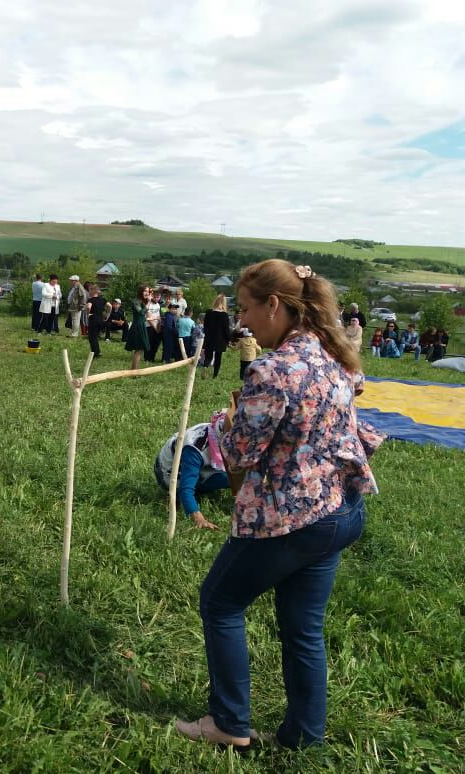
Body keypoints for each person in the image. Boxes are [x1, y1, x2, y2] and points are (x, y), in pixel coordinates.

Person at [176, 260, 382, 751]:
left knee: (220, 602)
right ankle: (303, 736)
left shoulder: (273, 370)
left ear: (274, 304)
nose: (242, 322)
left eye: (246, 310)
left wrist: (227, 420)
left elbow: (241, 454)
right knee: (302, 629)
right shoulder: (335, 355)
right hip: (342, 509)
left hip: (295, 517)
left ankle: (228, 722)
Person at [154, 411, 230, 530]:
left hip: (193, 465)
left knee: (240, 474)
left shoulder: (215, 434)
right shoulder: (194, 449)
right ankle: (177, 496)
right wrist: (198, 518)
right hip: (171, 475)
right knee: (231, 478)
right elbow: (186, 488)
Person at [202, 295, 231, 378]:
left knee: (208, 356)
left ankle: (205, 366)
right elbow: (226, 329)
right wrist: (229, 339)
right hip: (220, 339)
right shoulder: (225, 315)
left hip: (209, 338)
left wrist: (207, 334)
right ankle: (215, 375)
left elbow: (205, 326)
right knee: (218, 358)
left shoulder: (208, 312)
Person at [125, 285, 152, 369]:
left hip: (141, 325)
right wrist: (148, 303)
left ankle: (133, 370)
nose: (147, 293)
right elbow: (141, 312)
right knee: (139, 349)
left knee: (140, 349)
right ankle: (133, 371)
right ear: (140, 291)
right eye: (145, 291)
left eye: (148, 291)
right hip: (138, 326)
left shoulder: (142, 301)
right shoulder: (136, 301)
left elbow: (146, 314)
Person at [86, 284, 107, 358]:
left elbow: (88, 307)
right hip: (100, 320)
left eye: (89, 290)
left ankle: (96, 353)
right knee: (95, 337)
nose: (89, 292)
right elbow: (110, 306)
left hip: (93, 320)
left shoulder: (90, 300)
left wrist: (88, 314)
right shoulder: (102, 299)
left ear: (93, 291)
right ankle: (97, 351)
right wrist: (108, 314)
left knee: (92, 337)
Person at [145, 290, 162, 361]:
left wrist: (159, 326)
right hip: (149, 326)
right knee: (149, 342)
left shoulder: (158, 305)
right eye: (155, 297)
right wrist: (155, 328)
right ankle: (147, 358)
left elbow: (159, 317)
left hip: (157, 326)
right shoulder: (149, 305)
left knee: (156, 343)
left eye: (158, 297)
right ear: (152, 297)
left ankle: (152, 357)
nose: (157, 299)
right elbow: (148, 318)